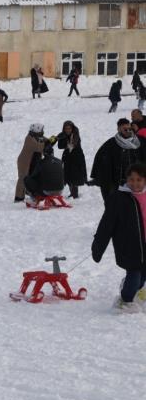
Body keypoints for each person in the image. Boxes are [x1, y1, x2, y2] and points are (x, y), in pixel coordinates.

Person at [92, 163, 146, 311]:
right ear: (126, 180)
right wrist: (98, 246)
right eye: (131, 179)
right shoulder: (119, 198)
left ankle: (135, 289)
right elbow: (106, 224)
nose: (135, 183)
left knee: (142, 278)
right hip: (129, 246)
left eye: (139, 179)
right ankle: (125, 300)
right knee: (134, 276)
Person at [91, 118, 144, 202]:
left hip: (137, 184)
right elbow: (102, 163)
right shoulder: (110, 144)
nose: (127, 131)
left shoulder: (140, 142)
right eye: (124, 129)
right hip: (118, 185)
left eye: (129, 128)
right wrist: (104, 182)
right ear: (118, 129)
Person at [54, 120, 87, 199]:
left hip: (76, 157)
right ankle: (72, 193)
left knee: (75, 176)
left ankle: (74, 194)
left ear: (72, 128)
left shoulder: (75, 135)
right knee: (67, 175)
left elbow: (74, 144)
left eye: (69, 128)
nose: (67, 130)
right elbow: (60, 146)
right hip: (67, 157)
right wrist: (59, 138)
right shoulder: (62, 135)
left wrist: (66, 142)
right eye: (66, 129)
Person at [14, 124, 45, 202]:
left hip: (33, 161)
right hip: (24, 161)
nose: (42, 132)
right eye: (41, 130)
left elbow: (46, 141)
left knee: (33, 178)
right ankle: (19, 197)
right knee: (23, 178)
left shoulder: (38, 137)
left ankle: (31, 193)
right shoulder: (29, 138)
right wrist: (47, 143)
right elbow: (38, 147)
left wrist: (53, 139)